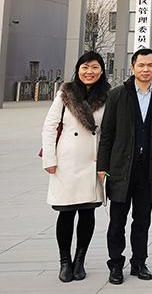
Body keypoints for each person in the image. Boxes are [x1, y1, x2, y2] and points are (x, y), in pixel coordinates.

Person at [97, 48, 152, 285]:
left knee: (142, 220)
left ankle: (139, 262)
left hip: (148, 169)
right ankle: (115, 264)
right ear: (132, 67)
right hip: (121, 168)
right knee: (117, 220)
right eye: (141, 65)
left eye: (150, 65)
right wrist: (103, 165)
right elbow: (107, 133)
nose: (146, 69)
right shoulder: (118, 95)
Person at [41, 51, 110, 282]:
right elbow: (50, 126)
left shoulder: (108, 94)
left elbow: (109, 130)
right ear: (78, 70)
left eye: (94, 67)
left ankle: (80, 260)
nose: (89, 72)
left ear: (102, 70)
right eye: (85, 67)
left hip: (92, 160)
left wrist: (106, 161)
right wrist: (50, 159)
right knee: (66, 213)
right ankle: (65, 261)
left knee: (87, 212)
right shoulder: (65, 93)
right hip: (67, 161)